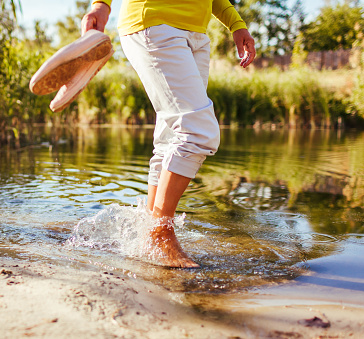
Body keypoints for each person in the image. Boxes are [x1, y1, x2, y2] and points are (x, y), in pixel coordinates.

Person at [81, 0, 256, 268]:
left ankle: (149, 231)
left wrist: (236, 23)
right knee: (198, 132)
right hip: (154, 20)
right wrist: (101, 5)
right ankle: (160, 236)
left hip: (197, 33)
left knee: (171, 139)